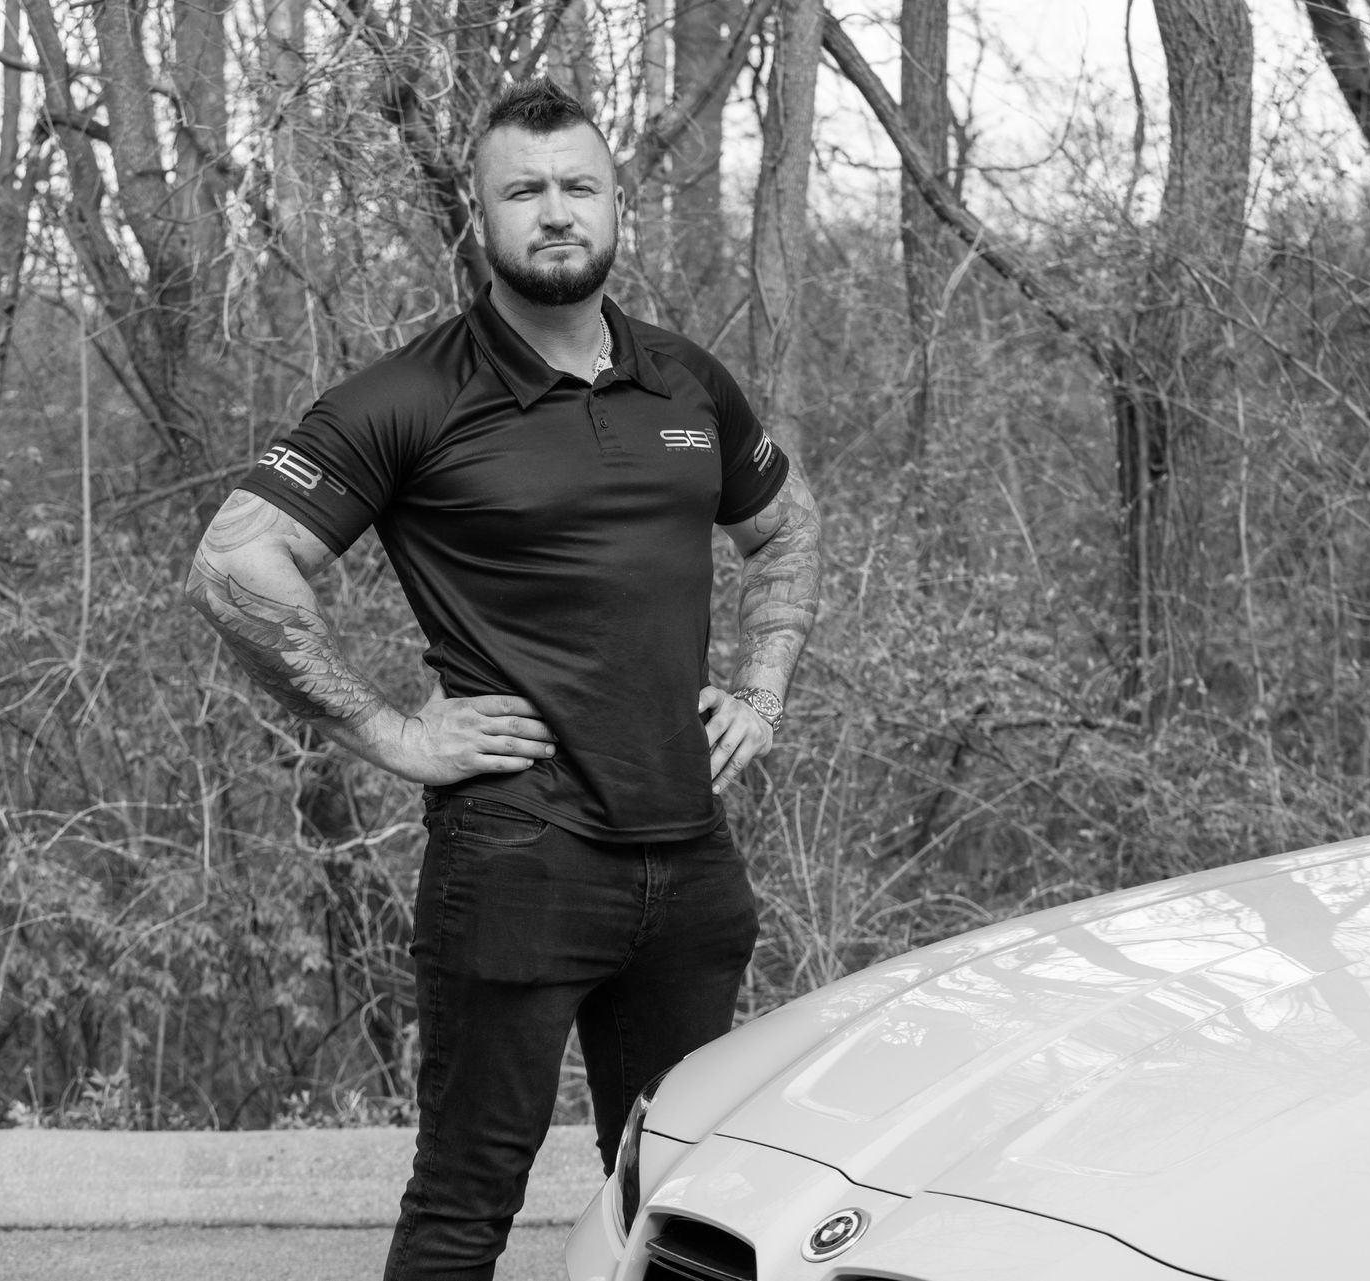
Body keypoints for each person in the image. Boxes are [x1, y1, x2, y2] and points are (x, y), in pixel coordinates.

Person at [184, 77, 822, 1281]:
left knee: (682, 1203)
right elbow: (234, 564)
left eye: (579, 186)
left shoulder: (687, 382)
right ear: (480, 217)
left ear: (617, 203)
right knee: (465, 1202)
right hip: (519, 857)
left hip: (688, 861)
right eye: (523, 191)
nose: (556, 211)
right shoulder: (412, 394)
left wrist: (764, 687)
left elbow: (785, 526)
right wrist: (389, 732)